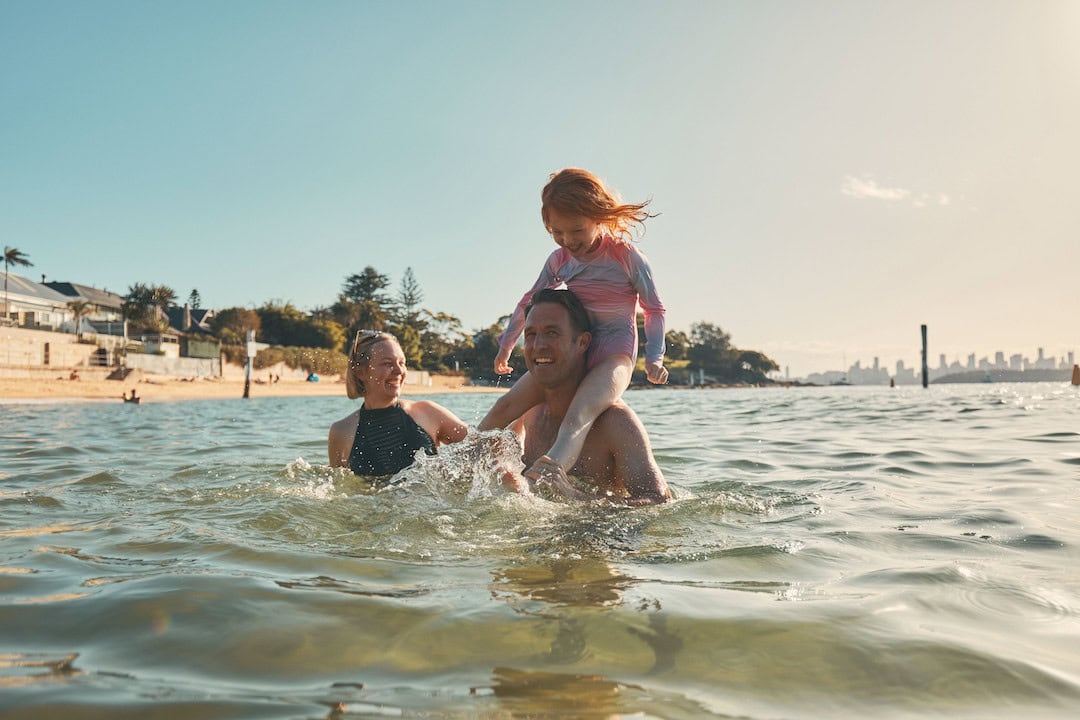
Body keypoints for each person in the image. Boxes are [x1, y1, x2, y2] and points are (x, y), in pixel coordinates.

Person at [479, 168, 669, 483]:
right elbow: (529, 301)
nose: (568, 241)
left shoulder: (626, 256)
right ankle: (454, 463)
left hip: (614, 354)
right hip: (572, 350)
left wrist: (655, 357)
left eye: (577, 231)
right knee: (505, 405)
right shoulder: (559, 260)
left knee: (577, 416)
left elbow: (654, 308)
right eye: (557, 232)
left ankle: (547, 474)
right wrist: (506, 345)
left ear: (600, 217)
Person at [507, 289, 670, 506]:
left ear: (582, 343)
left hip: (597, 537)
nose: (538, 345)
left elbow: (660, 501)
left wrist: (575, 496)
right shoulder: (527, 411)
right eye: (531, 335)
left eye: (552, 333)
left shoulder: (617, 423)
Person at [329, 330, 468, 477]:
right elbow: (339, 488)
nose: (399, 370)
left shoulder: (429, 412)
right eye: (387, 364)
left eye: (402, 363)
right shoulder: (341, 431)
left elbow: (483, 446)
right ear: (361, 372)